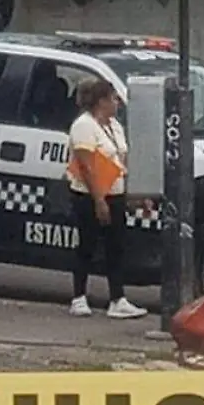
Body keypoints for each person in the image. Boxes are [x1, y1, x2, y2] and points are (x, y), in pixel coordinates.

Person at [67, 79, 146, 320]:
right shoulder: (84, 126)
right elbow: (87, 166)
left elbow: (122, 160)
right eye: (113, 99)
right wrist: (98, 200)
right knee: (87, 244)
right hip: (88, 194)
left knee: (116, 246)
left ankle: (117, 298)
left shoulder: (115, 126)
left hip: (115, 192)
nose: (117, 103)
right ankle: (79, 296)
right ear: (101, 101)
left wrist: (132, 193)